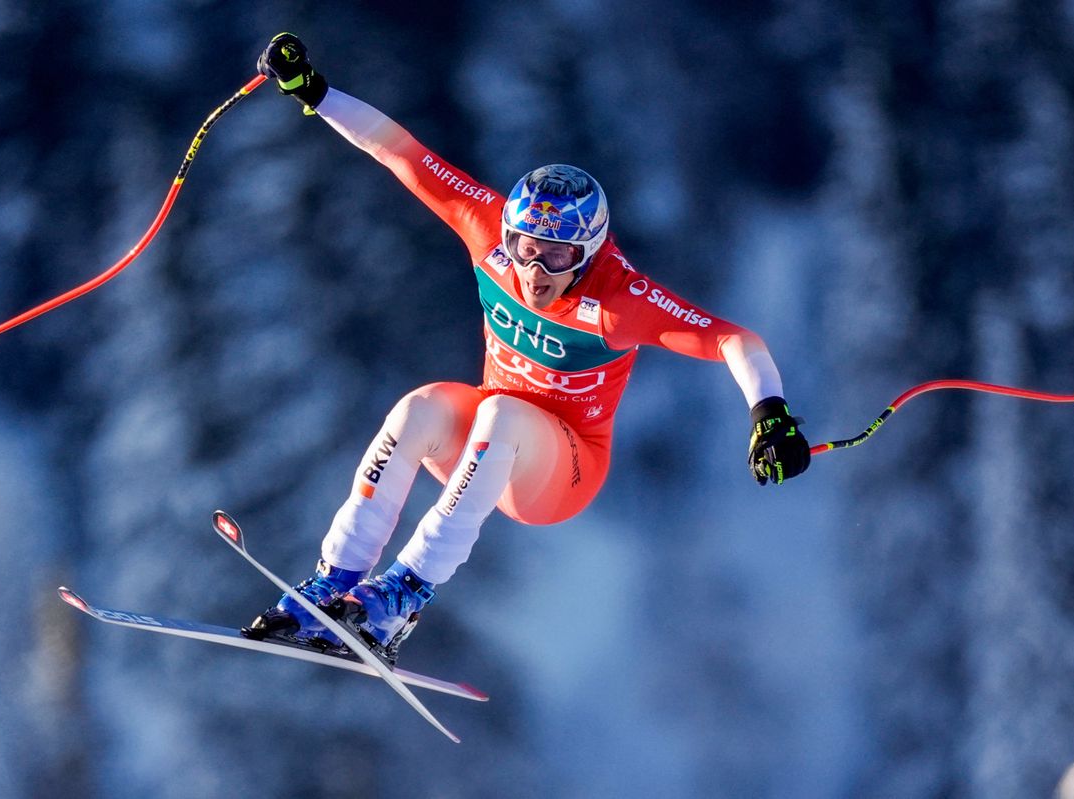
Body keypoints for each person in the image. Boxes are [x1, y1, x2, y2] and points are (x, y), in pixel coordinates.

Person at [243, 33, 811, 662]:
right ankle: (333, 582)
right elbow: (399, 151)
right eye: (525, 249)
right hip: (485, 451)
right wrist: (316, 92)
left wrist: (770, 412)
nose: (536, 272)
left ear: (588, 253)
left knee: (502, 413)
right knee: (419, 407)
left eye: (558, 257)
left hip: (560, 475)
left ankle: (403, 595)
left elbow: (734, 339)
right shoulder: (488, 230)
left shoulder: (616, 300)